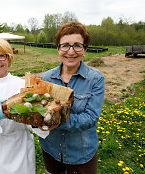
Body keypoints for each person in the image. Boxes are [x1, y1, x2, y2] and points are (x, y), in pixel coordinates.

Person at [0, 39, 48, 174]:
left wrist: (38, 120)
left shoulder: (23, 86)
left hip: (19, 151)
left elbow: (34, 124)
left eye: (1, 56)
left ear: (9, 58)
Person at [39, 21, 105, 174]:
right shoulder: (47, 77)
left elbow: (90, 118)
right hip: (51, 148)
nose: (71, 51)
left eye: (77, 45)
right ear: (58, 48)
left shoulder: (95, 79)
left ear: (85, 49)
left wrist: (54, 119)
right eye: (65, 45)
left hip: (81, 153)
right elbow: (41, 107)